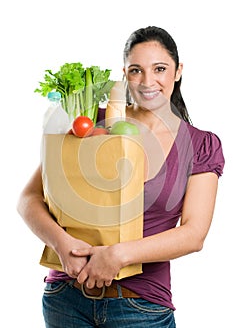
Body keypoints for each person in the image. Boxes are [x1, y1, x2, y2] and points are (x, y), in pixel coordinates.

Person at [17, 26, 225, 328]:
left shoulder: (200, 145)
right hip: (65, 296)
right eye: (136, 70)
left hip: (141, 306)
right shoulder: (90, 122)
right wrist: (63, 246)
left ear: (178, 71)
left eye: (160, 69)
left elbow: (194, 234)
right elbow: (29, 197)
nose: (147, 81)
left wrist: (117, 256)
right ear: (124, 73)